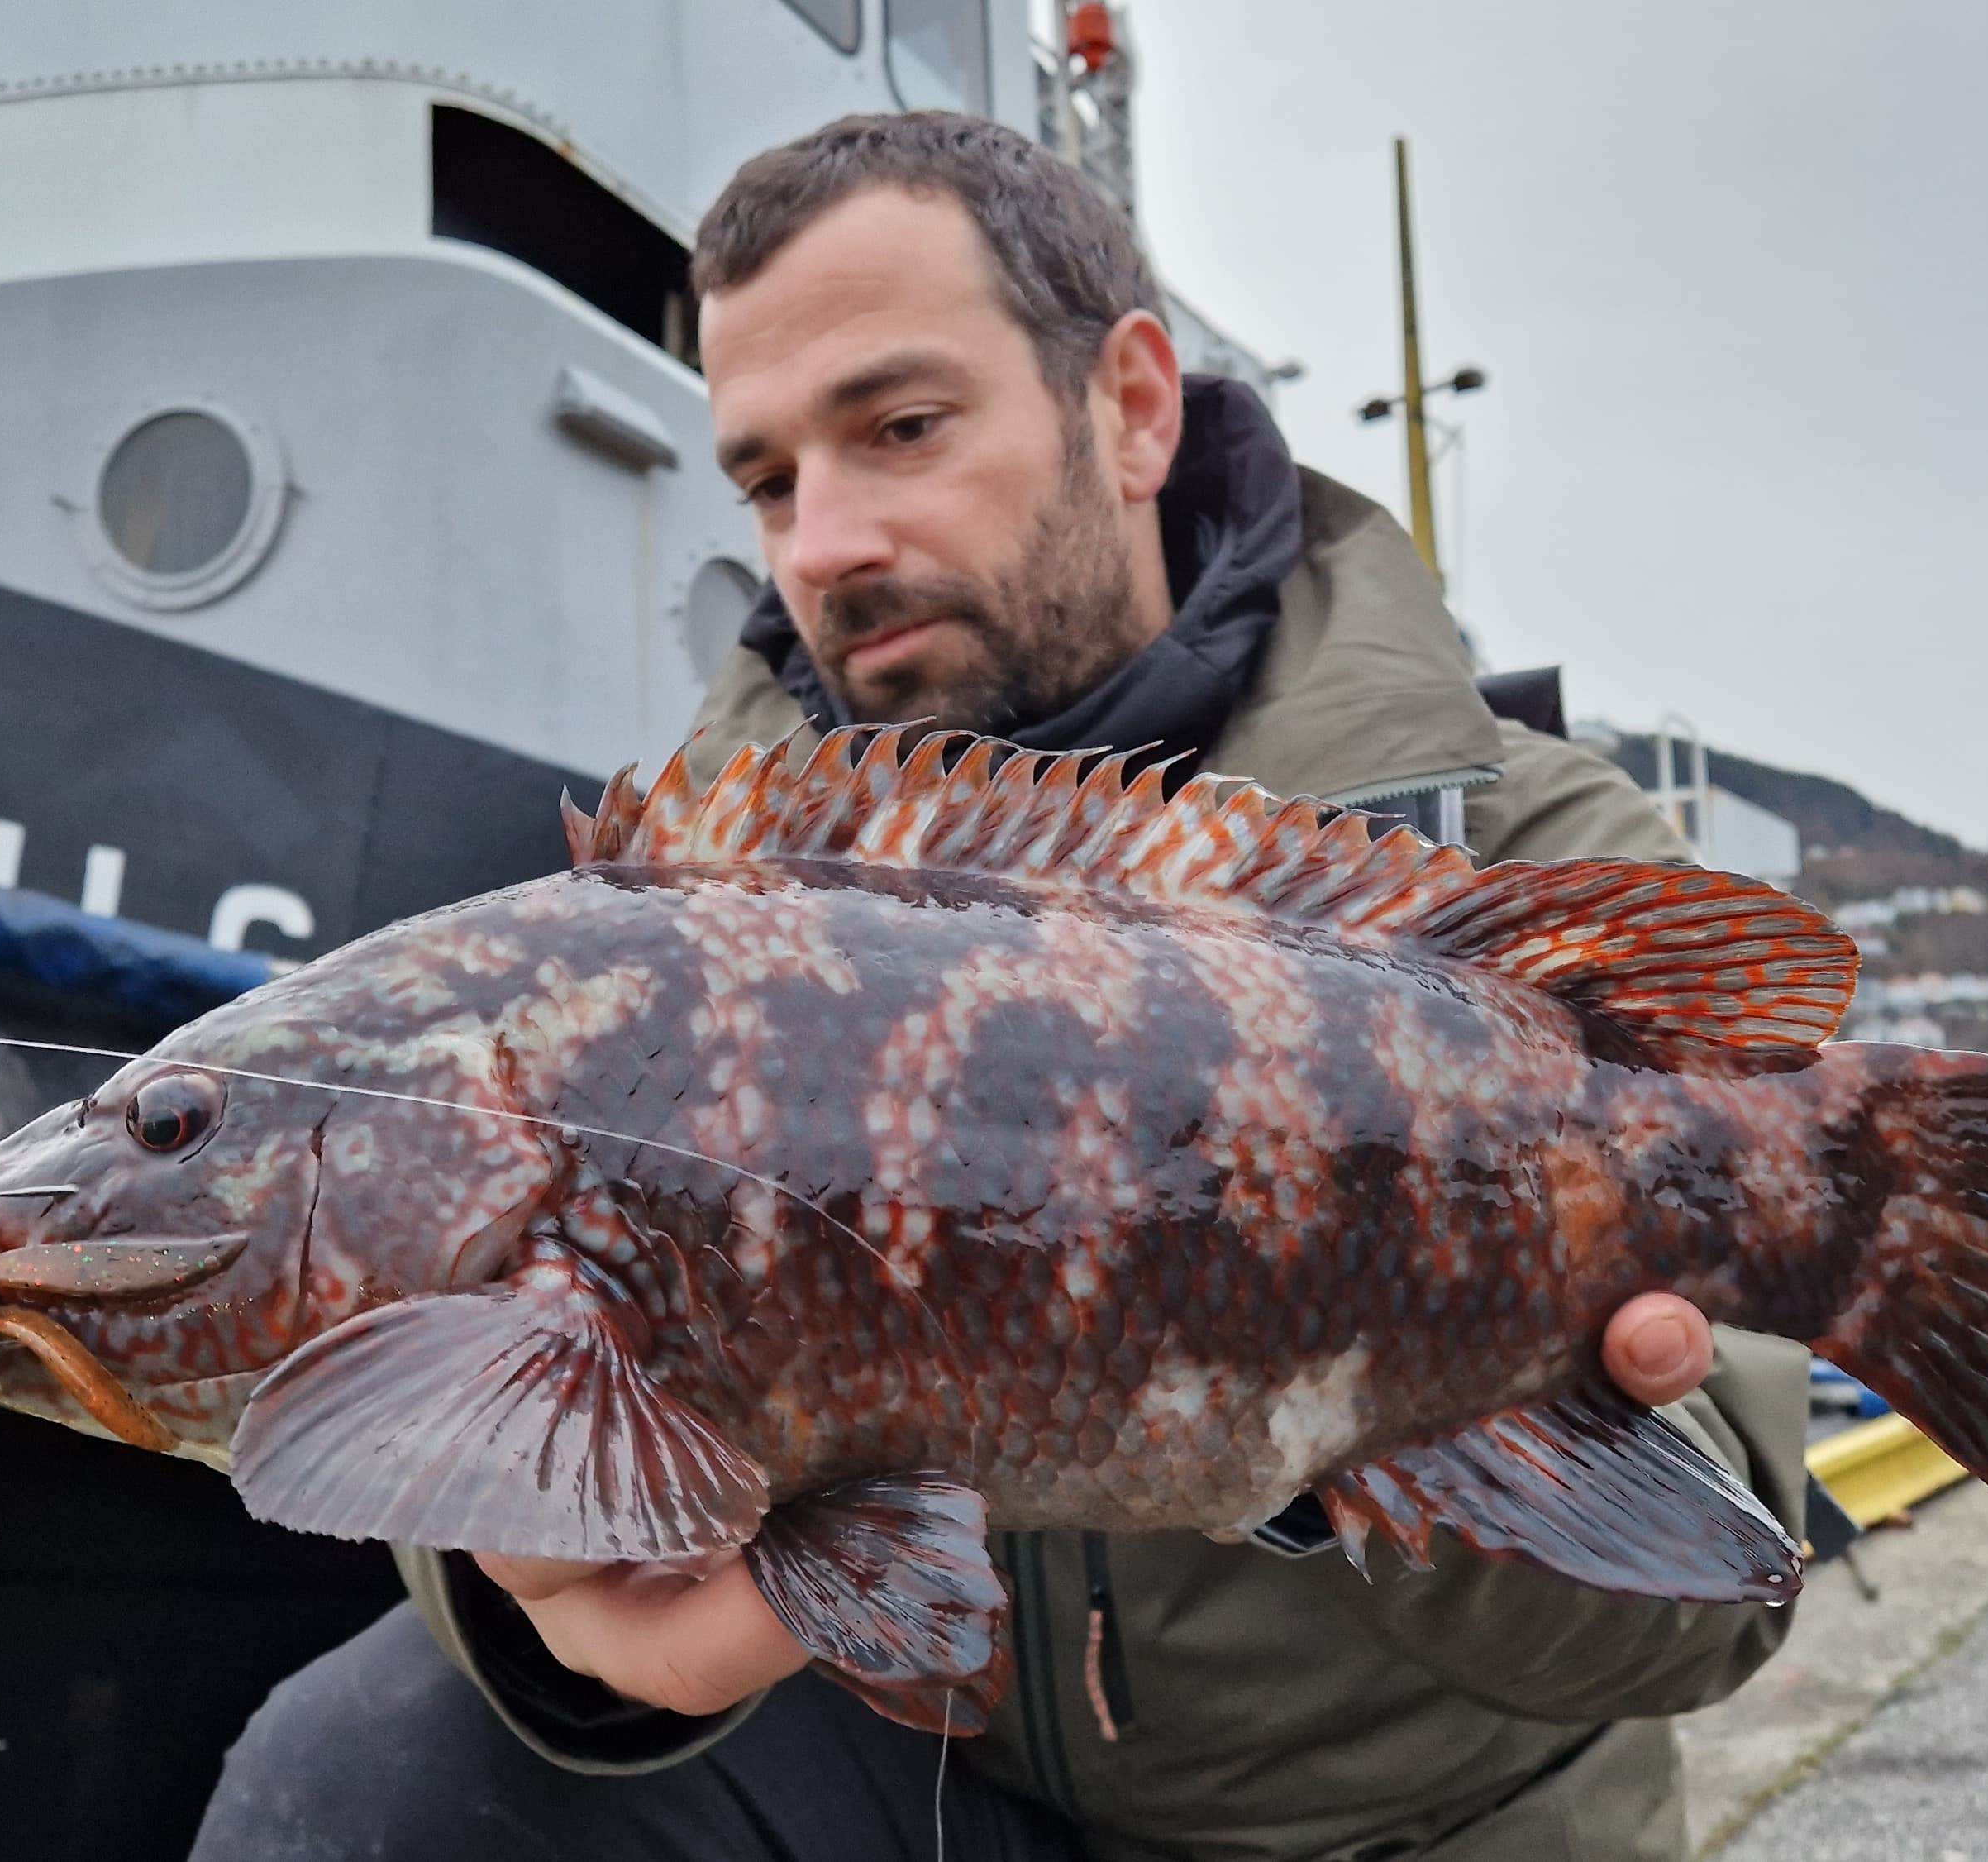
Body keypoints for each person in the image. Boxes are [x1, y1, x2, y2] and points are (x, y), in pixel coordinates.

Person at [192, 112, 1809, 1862]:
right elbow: (518, 1353)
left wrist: (1296, 1387)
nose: (818, 542)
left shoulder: (1523, 852)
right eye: (765, 478)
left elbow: (1707, 1603)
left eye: (898, 427)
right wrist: (542, 1600)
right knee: (366, 1774)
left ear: (1126, 404)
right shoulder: (683, 927)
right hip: (949, 1796)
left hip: (1400, 1832)